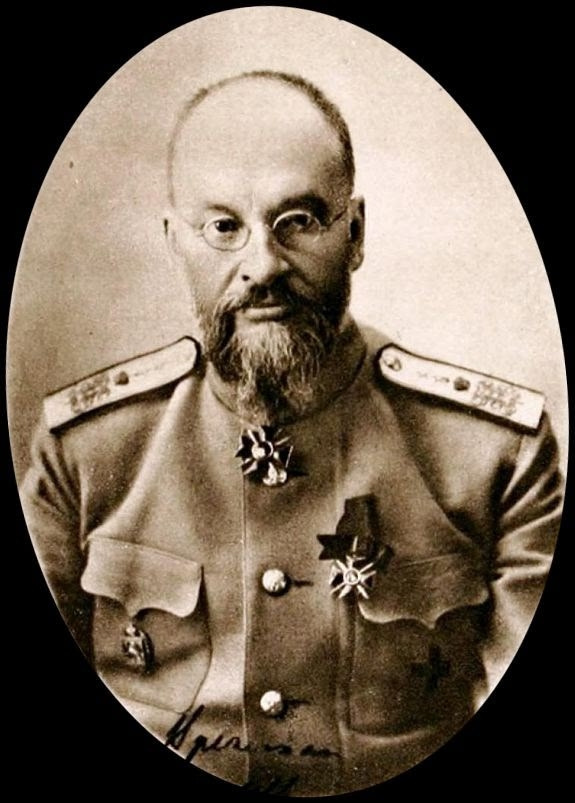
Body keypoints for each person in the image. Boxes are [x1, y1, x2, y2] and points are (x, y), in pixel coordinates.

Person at [19, 71, 563, 797]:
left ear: (355, 232)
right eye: (224, 227)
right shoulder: (87, 449)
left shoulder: (495, 454)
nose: (263, 266)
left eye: (299, 220)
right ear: (174, 242)